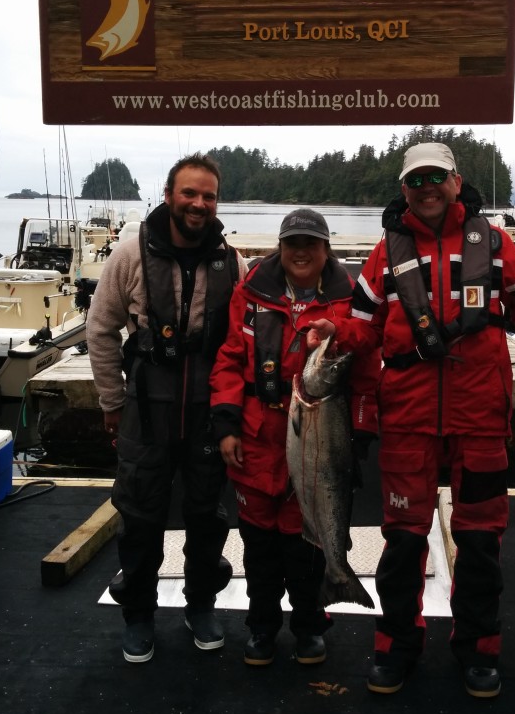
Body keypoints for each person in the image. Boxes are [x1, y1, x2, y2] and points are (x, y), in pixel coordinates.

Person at [309, 141, 515, 697]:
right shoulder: (386, 254)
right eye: (415, 181)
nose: (426, 189)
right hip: (406, 418)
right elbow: (363, 326)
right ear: (403, 189)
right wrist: (334, 332)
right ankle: (396, 645)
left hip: (481, 418)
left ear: (456, 181)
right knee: (403, 540)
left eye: (436, 178)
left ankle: (479, 647)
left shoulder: (496, 247)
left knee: (479, 540)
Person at [87, 153, 248, 663]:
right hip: (146, 409)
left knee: (207, 516)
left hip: (207, 411)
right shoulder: (130, 255)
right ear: (168, 195)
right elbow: (100, 329)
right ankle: (138, 614)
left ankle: (200, 605)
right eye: (190, 193)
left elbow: (244, 339)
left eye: (209, 195)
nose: (199, 204)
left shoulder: (233, 261)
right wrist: (112, 400)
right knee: (139, 516)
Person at [209, 208, 379, 667]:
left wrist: (358, 433)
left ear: (327, 249)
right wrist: (225, 425)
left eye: (311, 244)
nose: (301, 252)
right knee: (260, 553)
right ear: (280, 249)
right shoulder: (251, 294)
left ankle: (309, 626)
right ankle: (262, 628)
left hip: (318, 442)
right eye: (292, 244)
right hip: (257, 443)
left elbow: (365, 371)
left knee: (307, 550)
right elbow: (228, 360)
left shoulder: (349, 300)